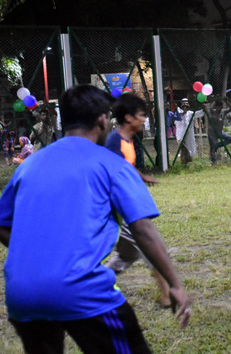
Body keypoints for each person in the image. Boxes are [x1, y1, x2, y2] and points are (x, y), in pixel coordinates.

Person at [0, 85, 191, 353]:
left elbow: (2, 223)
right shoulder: (111, 165)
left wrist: (36, 254)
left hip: (22, 294)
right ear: (102, 119)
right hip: (80, 291)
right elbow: (143, 230)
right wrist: (175, 285)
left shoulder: (30, 165)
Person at [104, 93, 171, 308]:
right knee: (154, 251)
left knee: (126, 256)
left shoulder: (126, 140)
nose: (144, 119)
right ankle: (168, 296)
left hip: (128, 208)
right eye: (142, 115)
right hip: (127, 210)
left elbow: (127, 167)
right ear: (129, 117)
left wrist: (143, 178)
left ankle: (92, 286)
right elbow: (111, 173)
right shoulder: (114, 141)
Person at [206, 97, 231, 163]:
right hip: (212, 133)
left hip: (219, 132)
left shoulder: (223, 112)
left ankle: (217, 146)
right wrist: (215, 101)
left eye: (221, 107)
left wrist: (226, 101)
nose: (219, 108)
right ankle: (213, 161)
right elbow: (210, 108)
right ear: (216, 107)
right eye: (218, 107)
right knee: (212, 147)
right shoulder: (213, 112)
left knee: (230, 139)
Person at [174, 98, 197, 164]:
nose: (185, 106)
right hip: (181, 136)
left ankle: (188, 164)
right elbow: (177, 115)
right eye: (184, 104)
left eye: (187, 104)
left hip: (189, 136)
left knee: (190, 151)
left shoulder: (190, 113)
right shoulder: (179, 113)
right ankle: (183, 163)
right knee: (183, 150)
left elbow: (199, 113)